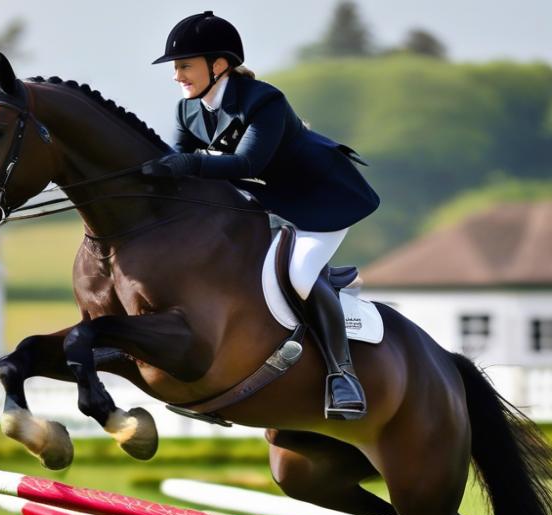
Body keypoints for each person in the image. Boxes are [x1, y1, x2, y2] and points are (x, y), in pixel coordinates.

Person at [143, 11, 380, 420]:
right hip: (267, 200)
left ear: (219, 65)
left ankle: (343, 376)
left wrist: (188, 166)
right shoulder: (189, 110)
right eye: (176, 67)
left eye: (184, 65)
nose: (177, 75)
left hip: (317, 199)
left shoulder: (264, 101)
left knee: (300, 275)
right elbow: (173, 158)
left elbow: (248, 162)